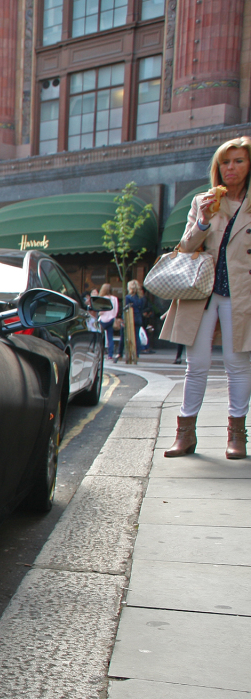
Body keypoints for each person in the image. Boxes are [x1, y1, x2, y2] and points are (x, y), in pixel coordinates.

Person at [160, 136, 251, 459]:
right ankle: (185, 434)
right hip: (201, 292)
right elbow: (185, 247)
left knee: (237, 364)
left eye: (239, 161)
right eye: (225, 162)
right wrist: (202, 220)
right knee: (195, 364)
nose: (231, 168)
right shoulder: (204, 200)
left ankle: (237, 435)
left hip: (242, 295)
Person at [124, 279, 149, 360]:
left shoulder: (128, 297)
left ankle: (130, 353)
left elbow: (126, 309)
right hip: (138, 318)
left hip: (130, 318)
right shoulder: (141, 298)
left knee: (129, 336)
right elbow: (142, 308)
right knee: (137, 336)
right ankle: (137, 353)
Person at [97, 283, 119, 362]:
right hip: (111, 319)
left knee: (99, 338)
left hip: (102, 320)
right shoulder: (115, 298)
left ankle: (99, 353)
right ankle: (110, 355)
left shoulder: (102, 298)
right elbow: (116, 310)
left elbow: (101, 311)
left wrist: (99, 313)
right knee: (110, 338)